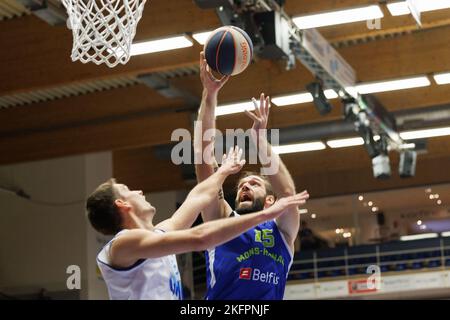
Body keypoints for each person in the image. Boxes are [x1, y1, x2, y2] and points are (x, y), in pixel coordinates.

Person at [86, 147, 308, 300]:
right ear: (122, 204)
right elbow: (201, 237)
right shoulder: (125, 243)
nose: (139, 190)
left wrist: (209, 96)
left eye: (254, 183)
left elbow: (198, 196)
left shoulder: (158, 234)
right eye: (129, 190)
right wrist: (263, 216)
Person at [194, 52, 309, 300]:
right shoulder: (221, 218)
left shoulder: (283, 232)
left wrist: (259, 139)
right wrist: (210, 94)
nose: (244, 186)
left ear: (270, 201)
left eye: (254, 183)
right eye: (242, 185)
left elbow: (287, 193)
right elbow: (204, 165)